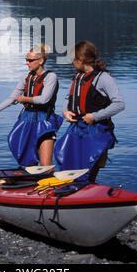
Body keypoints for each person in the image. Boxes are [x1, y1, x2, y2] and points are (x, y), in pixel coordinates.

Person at [0, 44, 63, 166]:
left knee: (45, 164)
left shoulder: (51, 77)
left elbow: (44, 99)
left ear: (41, 61)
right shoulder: (25, 77)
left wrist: (25, 98)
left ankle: (50, 180)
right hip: (26, 119)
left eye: (30, 60)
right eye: (26, 60)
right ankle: (32, 180)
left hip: (44, 121)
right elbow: (12, 98)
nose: (27, 63)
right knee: (28, 161)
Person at [54, 40, 125, 182]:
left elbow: (119, 104)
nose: (71, 62)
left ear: (81, 59)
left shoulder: (103, 78)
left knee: (88, 170)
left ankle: (88, 193)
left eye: (73, 59)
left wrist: (94, 116)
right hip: (76, 128)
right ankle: (71, 193)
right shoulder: (78, 77)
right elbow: (69, 97)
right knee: (67, 165)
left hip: (96, 130)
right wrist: (65, 111)